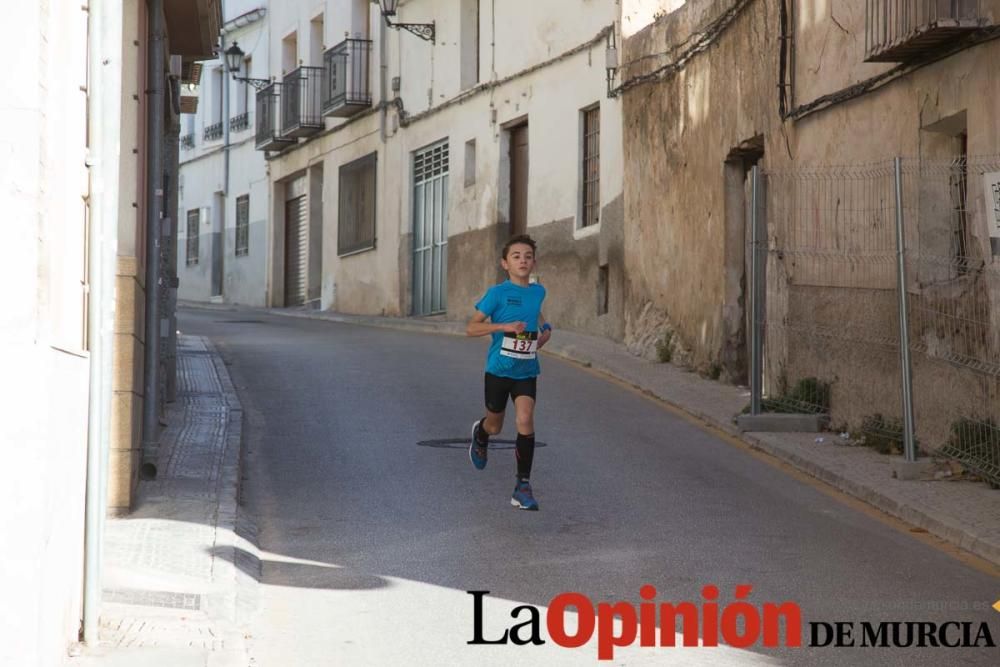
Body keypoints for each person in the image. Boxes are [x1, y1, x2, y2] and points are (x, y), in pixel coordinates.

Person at [466, 234, 552, 511]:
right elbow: (471, 328)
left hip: (526, 369)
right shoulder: (497, 294)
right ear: (505, 263)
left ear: (534, 262)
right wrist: (503, 328)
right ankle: (481, 433)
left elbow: (538, 314)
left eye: (528, 256)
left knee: (525, 419)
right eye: (516, 256)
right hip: (498, 370)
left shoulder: (538, 291)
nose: (523, 260)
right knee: (496, 426)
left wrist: (545, 331)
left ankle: (522, 486)